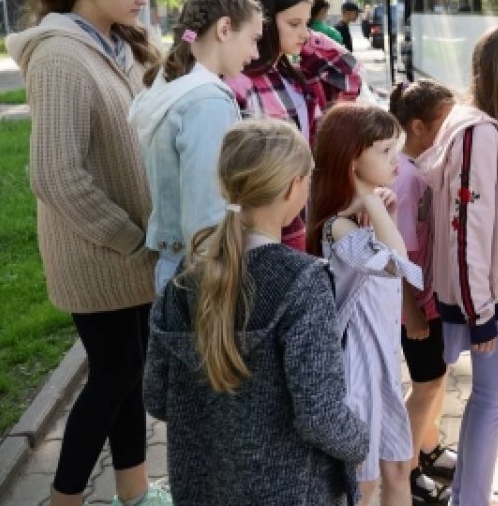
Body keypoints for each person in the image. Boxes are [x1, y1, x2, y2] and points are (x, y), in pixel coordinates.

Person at [7, 0, 170, 506]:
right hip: (99, 255)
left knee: (127, 377)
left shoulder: (115, 47)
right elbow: (55, 174)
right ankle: (64, 499)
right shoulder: (60, 58)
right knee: (113, 378)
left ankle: (133, 491)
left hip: (130, 251)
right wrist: (130, 238)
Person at [143, 119, 369, 505]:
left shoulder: (185, 278)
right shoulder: (304, 282)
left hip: (203, 489)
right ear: (294, 186)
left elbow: (156, 397)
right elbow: (320, 415)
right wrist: (361, 441)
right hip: (290, 491)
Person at [416, 26, 498, 506]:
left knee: (485, 401)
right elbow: (467, 228)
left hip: (483, 291)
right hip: (487, 296)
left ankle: (469, 496)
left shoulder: (466, 123)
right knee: (491, 403)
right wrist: (480, 311)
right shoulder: (481, 132)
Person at [309, 103, 425, 506]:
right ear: (352, 157)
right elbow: (402, 269)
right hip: (357, 371)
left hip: (382, 364)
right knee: (364, 483)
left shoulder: (355, 220)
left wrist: (379, 209)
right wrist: (373, 204)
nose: (396, 161)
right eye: (386, 151)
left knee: (397, 468)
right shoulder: (339, 227)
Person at [129, 0, 262, 293]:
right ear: (224, 29)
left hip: (175, 263)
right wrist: (220, 282)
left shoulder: (171, 85)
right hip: (199, 272)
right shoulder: (206, 101)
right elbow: (207, 209)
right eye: (253, 39)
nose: (255, 53)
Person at [226, 0, 361, 250]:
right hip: (267, 222)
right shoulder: (240, 83)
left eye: (307, 24)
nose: (304, 33)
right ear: (263, 23)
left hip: (305, 208)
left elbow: (350, 76)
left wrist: (307, 41)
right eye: (294, 24)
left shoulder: (294, 76)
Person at [390, 79, 458, 504]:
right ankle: (407, 468)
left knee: (435, 377)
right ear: (418, 127)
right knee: (427, 384)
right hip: (416, 305)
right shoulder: (408, 179)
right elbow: (396, 253)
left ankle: (428, 448)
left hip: (424, 300)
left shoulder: (414, 170)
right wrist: (412, 309)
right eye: (444, 124)